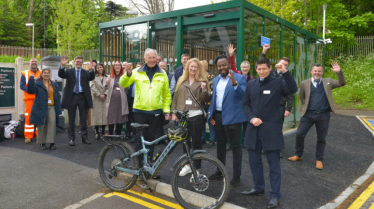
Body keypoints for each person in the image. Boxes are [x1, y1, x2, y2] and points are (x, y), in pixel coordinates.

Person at [241, 57, 297, 209]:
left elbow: (292, 89)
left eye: (264, 68)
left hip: (271, 130)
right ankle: (258, 188)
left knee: (274, 165)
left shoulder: (278, 82)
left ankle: (275, 195)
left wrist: (285, 71)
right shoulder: (251, 84)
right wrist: (251, 118)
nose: (261, 71)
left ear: (270, 68)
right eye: (259, 69)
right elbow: (245, 104)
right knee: (254, 161)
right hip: (254, 129)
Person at [119, 48, 171, 175]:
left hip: (155, 112)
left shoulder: (162, 73)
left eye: (154, 57)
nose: (152, 60)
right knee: (139, 139)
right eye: (149, 58)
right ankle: (138, 166)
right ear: (145, 59)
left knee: (151, 139)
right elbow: (122, 83)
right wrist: (128, 74)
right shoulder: (136, 72)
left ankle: (147, 167)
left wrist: (166, 110)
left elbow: (166, 94)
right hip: (140, 111)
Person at [288, 62, 345, 170]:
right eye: (315, 71)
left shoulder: (328, 81)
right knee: (299, 134)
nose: (317, 73)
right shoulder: (305, 83)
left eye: (319, 71)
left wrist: (339, 72)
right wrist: (309, 107)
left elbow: (341, 83)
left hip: (323, 115)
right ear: (311, 72)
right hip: (308, 115)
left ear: (322, 72)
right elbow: (302, 97)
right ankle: (298, 154)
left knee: (321, 138)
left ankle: (319, 160)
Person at [207, 55, 247, 190]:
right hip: (218, 117)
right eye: (219, 66)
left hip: (233, 118)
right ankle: (220, 172)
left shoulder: (240, 78)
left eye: (224, 65)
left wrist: (234, 83)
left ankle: (236, 177)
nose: (222, 67)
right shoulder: (216, 79)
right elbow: (214, 98)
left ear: (229, 65)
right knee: (220, 145)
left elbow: (244, 96)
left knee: (236, 147)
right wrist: (210, 114)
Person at [171, 58, 211, 177]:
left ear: (198, 69)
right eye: (191, 66)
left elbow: (206, 99)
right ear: (187, 67)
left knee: (197, 142)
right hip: (182, 115)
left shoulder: (203, 81)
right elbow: (175, 97)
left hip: (196, 115)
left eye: (195, 67)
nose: (193, 69)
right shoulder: (181, 80)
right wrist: (173, 113)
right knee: (185, 141)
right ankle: (188, 165)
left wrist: (204, 90)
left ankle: (197, 169)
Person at [58, 56, 95, 146]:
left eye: (80, 62)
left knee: (83, 118)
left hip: (83, 97)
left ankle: (84, 137)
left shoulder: (86, 72)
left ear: (82, 63)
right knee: (71, 119)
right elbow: (61, 75)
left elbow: (91, 77)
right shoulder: (69, 71)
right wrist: (62, 66)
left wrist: (91, 70)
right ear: (74, 62)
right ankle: (71, 138)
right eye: (77, 61)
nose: (79, 63)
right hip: (72, 97)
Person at [27, 68, 62, 150]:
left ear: (49, 74)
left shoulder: (53, 84)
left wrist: (58, 107)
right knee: (41, 125)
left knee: (52, 124)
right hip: (41, 106)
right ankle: (42, 143)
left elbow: (56, 96)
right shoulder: (38, 83)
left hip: (51, 106)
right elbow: (31, 91)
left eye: (48, 73)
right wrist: (31, 79)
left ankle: (51, 143)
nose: (46, 74)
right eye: (44, 73)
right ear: (41, 74)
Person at [20, 58, 41, 143]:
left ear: (37, 63)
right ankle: (28, 136)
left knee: (40, 117)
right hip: (29, 99)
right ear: (29, 63)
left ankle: (39, 135)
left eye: (35, 61)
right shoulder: (25, 73)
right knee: (28, 117)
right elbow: (21, 85)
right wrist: (30, 90)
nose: (34, 63)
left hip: (40, 99)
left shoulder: (42, 73)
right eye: (32, 61)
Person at [105, 61, 129, 135]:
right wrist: (106, 85)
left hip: (121, 100)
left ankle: (118, 135)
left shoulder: (124, 76)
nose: (117, 66)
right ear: (114, 67)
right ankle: (110, 134)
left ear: (121, 67)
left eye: (119, 65)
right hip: (112, 101)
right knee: (111, 117)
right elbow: (105, 88)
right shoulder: (110, 76)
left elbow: (128, 87)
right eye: (116, 65)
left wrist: (126, 81)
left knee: (120, 117)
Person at [90, 63, 108, 140]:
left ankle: (103, 131)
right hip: (97, 98)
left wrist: (104, 94)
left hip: (105, 98)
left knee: (104, 115)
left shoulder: (107, 77)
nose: (99, 69)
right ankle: (97, 132)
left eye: (100, 67)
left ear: (103, 68)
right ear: (96, 69)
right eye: (98, 68)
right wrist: (99, 95)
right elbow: (92, 86)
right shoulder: (93, 77)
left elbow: (110, 87)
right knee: (96, 115)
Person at [200, 60, 216, 148]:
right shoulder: (197, 77)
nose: (200, 68)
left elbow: (213, 90)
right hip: (201, 103)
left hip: (210, 103)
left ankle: (212, 139)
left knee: (210, 121)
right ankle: (202, 138)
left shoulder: (212, 77)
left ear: (206, 67)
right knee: (202, 122)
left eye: (202, 66)